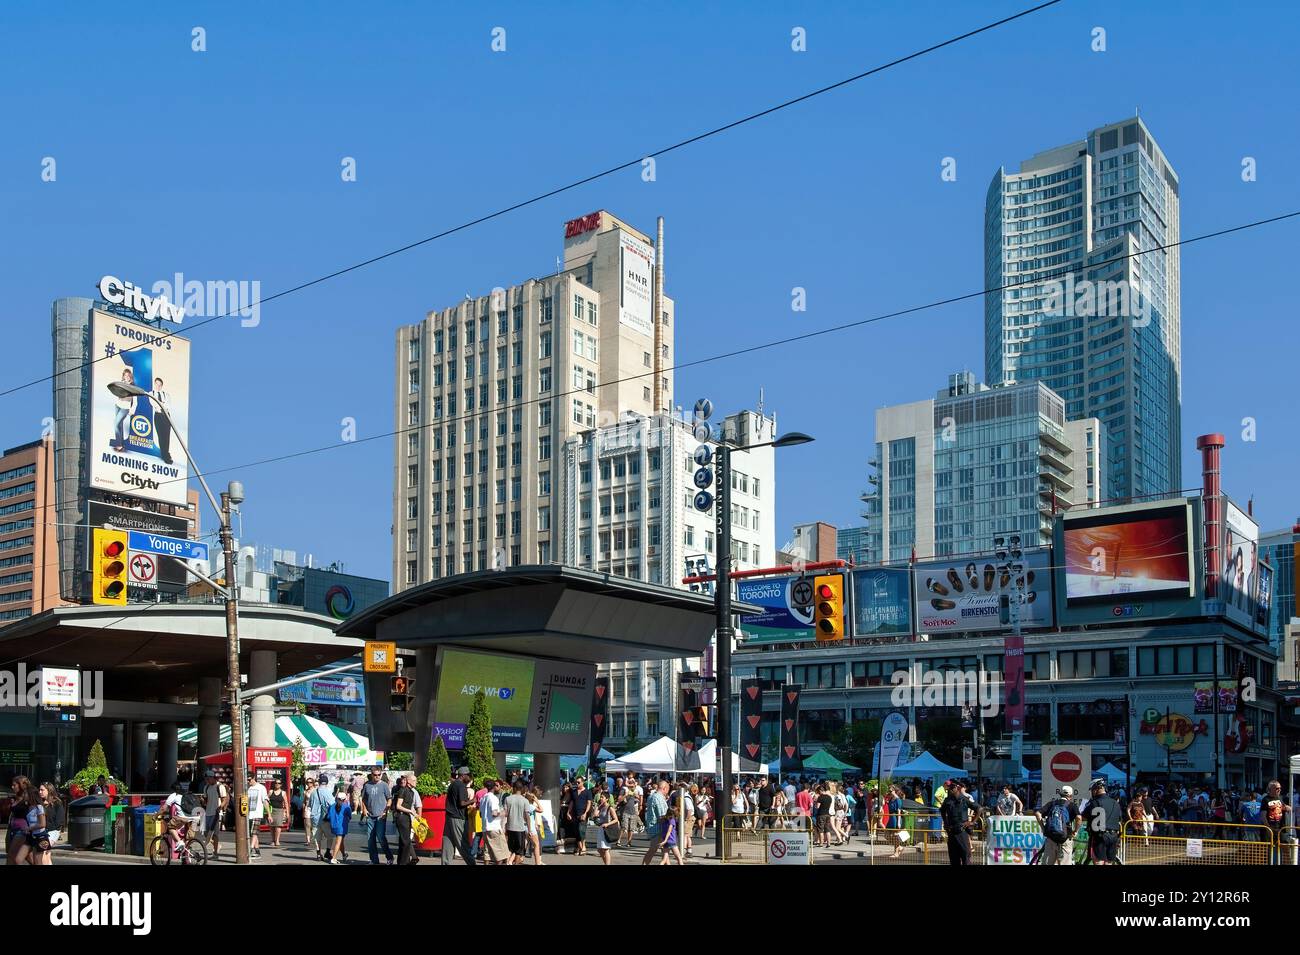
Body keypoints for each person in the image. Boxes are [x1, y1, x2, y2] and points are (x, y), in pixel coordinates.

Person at [1034, 785, 1080, 865]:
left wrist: (1043, 828)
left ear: (1060, 794)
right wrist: (1075, 831)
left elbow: (1038, 814)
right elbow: (1079, 818)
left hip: (1051, 839)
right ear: (1070, 796)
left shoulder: (1052, 803)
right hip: (1065, 839)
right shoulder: (1072, 805)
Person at [360, 767, 394, 865]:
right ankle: (374, 860)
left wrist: (385, 811)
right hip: (370, 815)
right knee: (370, 839)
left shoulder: (384, 785)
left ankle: (389, 857)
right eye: (375, 775)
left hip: (380, 816)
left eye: (379, 775)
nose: (377, 776)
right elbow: (363, 798)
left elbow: (389, 799)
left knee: (381, 837)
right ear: (371, 775)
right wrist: (364, 809)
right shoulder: (367, 785)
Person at [442, 766, 476, 865]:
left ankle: (445, 863)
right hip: (458, 817)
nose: (470, 778)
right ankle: (472, 863)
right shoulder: (461, 786)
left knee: (447, 842)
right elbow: (461, 803)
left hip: (449, 816)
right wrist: (472, 801)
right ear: (463, 775)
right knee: (463, 844)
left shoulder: (453, 784)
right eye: (469, 775)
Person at [940, 779, 978, 865]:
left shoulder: (965, 799)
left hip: (962, 832)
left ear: (957, 788)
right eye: (949, 788)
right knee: (953, 859)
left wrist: (972, 822)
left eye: (952, 787)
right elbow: (942, 810)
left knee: (965, 857)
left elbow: (979, 808)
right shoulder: (948, 800)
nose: (950, 789)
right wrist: (945, 823)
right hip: (952, 832)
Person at [10, 778, 47, 866]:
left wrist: (29, 828)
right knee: (18, 860)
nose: (24, 796)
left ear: (31, 795)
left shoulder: (39, 807)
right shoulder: (29, 807)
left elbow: (42, 824)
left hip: (40, 837)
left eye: (26, 794)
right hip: (30, 836)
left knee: (37, 862)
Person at [1083, 780, 1121, 865]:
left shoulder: (1094, 803)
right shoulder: (1116, 803)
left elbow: (1083, 817)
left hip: (1099, 836)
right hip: (1114, 836)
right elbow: (1119, 818)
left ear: (1096, 789)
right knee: (1109, 862)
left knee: (1098, 861)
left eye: (1092, 790)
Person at [1262, 779, 1293, 865]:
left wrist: (1287, 808)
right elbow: (1263, 815)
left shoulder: (1280, 798)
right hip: (1271, 829)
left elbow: (1286, 807)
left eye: (1280, 788)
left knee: (1284, 848)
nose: (1279, 790)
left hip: (1281, 829)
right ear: (1270, 789)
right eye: (1277, 788)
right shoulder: (1265, 799)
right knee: (1270, 850)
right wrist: (1268, 827)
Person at [479, 779, 509, 864]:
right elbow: (494, 813)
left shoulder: (483, 798)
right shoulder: (493, 798)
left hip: (485, 828)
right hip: (494, 828)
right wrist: (503, 813)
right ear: (493, 787)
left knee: (487, 851)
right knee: (500, 854)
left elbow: (481, 814)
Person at [392, 773, 420, 865]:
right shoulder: (403, 790)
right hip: (401, 817)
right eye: (414, 780)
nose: (416, 782)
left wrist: (415, 814)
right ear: (409, 781)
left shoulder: (412, 792)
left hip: (407, 817)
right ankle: (404, 862)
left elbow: (410, 806)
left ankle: (402, 862)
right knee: (406, 842)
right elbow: (398, 806)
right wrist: (410, 811)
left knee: (403, 841)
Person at [641, 780, 671, 865]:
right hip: (658, 828)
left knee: (664, 852)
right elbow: (662, 815)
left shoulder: (652, 796)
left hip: (653, 826)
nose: (667, 792)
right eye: (668, 789)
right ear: (664, 788)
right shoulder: (659, 798)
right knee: (653, 849)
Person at [504, 779, 532, 865]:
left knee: (510, 849)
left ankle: (508, 862)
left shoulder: (507, 799)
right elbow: (527, 817)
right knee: (519, 851)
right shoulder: (525, 801)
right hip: (520, 828)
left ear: (514, 788)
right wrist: (530, 829)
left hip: (510, 827)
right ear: (521, 789)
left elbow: (505, 814)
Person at [202, 769, 228, 860]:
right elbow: (206, 801)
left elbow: (225, 799)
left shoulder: (219, 786)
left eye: (208, 779)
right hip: (208, 812)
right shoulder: (206, 787)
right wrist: (203, 801)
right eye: (206, 779)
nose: (207, 781)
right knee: (205, 832)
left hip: (216, 813)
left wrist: (220, 807)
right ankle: (217, 845)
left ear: (213, 778)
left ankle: (216, 853)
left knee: (215, 834)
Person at [38, 782, 65, 863]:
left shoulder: (57, 803)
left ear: (49, 790)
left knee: (43, 851)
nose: (40, 792)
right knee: (47, 854)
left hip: (53, 832)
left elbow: (60, 820)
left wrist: (55, 828)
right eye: (39, 790)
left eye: (42, 790)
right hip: (42, 832)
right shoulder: (40, 803)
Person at [592, 791, 619, 865]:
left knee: (606, 849)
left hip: (607, 829)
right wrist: (597, 808)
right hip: (601, 828)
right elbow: (594, 816)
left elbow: (616, 819)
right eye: (600, 797)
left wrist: (608, 824)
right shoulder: (600, 807)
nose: (600, 798)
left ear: (607, 799)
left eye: (602, 797)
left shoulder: (610, 808)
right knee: (599, 849)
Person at [326, 788, 353, 864]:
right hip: (341, 827)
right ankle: (333, 858)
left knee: (341, 842)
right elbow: (350, 816)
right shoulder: (346, 807)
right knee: (338, 842)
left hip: (333, 826)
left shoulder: (331, 806)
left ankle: (344, 854)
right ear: (344, 799)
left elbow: (328, 817)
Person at [246, 774, 268, 860]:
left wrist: (269, 814)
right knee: (252, 833)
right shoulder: (248, 788)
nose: (248, 781)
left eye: (249, 779)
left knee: (254, 833)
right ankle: (257, 852)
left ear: (254, 778)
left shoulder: (261, 788)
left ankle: (250, 849)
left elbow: (265, 801)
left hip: (257, 813)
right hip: (249, 814)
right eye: (247, 780)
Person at [617, 775, 642, 847]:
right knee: (624, 827)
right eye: (630, 784)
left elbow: (638, 799)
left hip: (633, 811)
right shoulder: (624, 790)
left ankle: (629, 842)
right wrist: (625, 795)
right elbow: (619, 800)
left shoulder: (635, 791)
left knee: (631, 828)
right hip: (625, 811)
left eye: (633, 784)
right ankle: (618, 840)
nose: (632, 786)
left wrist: (637, 798)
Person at [524, 789, 546, 865]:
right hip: (531, 828)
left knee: (524, 844)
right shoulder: (531, 806)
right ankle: (538, 862)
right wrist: (537, 801)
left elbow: (533, 816)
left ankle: (511, 860)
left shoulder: (524, 805)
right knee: (536, 845)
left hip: (525, 827)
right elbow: (541, 810)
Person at [266, 777, 289, 848]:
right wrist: (267, 809)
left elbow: (286, 803)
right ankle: (273, 840)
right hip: (272, 810)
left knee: (278, 825)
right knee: (272, 826)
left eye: (279, 783)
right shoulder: (270, 792)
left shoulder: (283, 793)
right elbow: (266, 800)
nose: (277, 784)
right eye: (276, 783)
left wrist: (287, 812)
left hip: (279, 810)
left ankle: (277, 840)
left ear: (281, 785)